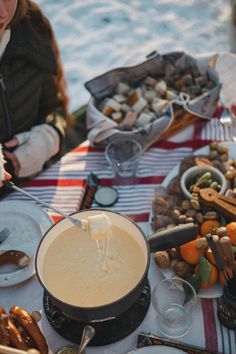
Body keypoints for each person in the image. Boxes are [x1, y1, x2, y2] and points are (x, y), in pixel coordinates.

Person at [0, 0, 70, 193]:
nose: (3, 13)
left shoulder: (32, 24)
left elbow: (55, 105)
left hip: (37, 186)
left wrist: (48, 138)